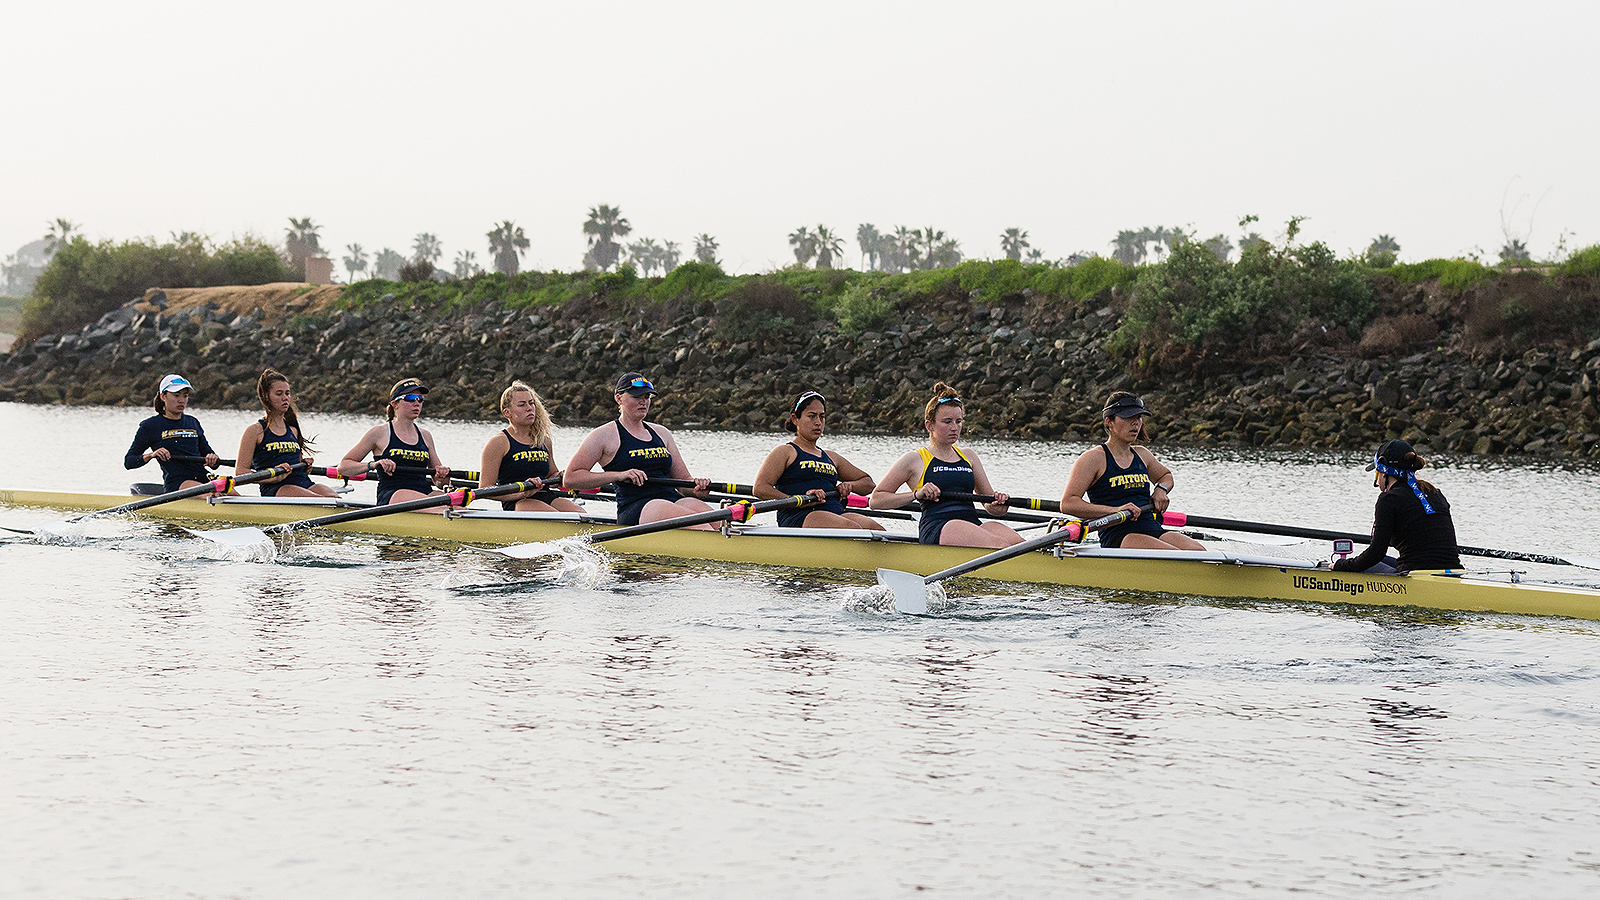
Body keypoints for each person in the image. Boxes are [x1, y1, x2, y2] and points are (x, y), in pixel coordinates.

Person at [870, 383, 1022, 548]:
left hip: (972, 524)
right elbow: (876, 500)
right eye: (947, 422)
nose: (954, 428)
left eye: (958, 421)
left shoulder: (969, 456)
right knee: (1002, 545)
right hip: (940, 526)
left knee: (1023, 547)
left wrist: (1000, 504)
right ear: (930, 425)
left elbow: (990, 506)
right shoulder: (914, 459)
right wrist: (916, 494)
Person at [1059, 391, 1205, 551]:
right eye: (1128, 417)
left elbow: (1165, 476)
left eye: (1138, 417)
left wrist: (1161, 490)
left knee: (1200, 553)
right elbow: (1068, 503)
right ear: (1109, 421)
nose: (1135, 423)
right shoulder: (1093, 459)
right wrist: (1115, 511)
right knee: (1175, 556)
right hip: (1119, 534)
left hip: (1151, 527)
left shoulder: (1142, 454)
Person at [564, 372, 713, 526]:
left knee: (720, 523)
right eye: (637, 397)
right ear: (619, 399)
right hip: (637, 507)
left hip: (673, 500)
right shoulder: (603, 435)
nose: (643, 402)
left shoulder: (662, 433)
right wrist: (618, 475)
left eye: (647, 397)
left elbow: (683, 483)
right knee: (701, 525)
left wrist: (697, 486)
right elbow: (570, 478)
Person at [753, 391, 883, 530]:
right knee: (852, 528)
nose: (818, 422)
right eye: (811, 416)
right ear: (795, 419)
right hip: (800, 515)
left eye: (822, 417)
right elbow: (760, 488)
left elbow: (868, 483)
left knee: (876, 530)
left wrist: (849, 485)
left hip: (835, 513)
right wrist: (796, 500)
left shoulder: (831, 457)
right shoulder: (785, 452)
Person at [1332, 439, 1461, 574]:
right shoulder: (1435, 493)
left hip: (1416, 575)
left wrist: (1341, 565)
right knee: (1381, 560)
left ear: (1383, 473)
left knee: (1359, 564)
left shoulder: (1389, 499)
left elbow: (1375, 553)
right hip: (1454, 571)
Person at [338, 378, 451, 506]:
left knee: (451, 502)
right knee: (441, 505)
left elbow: (439, 483)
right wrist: (373, 465)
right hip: (394, 496)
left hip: (424, 494)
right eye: (410, 398)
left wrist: (442, 475)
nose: (416, 403)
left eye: (420, 399)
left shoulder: (426, 436)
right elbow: (343, 467)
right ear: (394, 404)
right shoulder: (379, 433)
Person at [478, 381, 583, 513]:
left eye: (531, 403)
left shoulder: (544, 440)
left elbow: (551, 475)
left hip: (547, 496)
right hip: (518, 501)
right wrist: (523, 492)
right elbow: (485, 488)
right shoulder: (498, 443)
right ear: (507, 413)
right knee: (558, 519)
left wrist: (561, 476)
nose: (529, 408)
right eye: (522, 405)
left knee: (582, 516)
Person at [235, 368, 337, 498]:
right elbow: (240, 472)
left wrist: (304, 465)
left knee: (335, 499)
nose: (285, 398)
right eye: (279, 394)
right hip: (277, 488)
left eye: (287, 393)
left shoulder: (293, 430)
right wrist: (273, 477)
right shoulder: (255, 431)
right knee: (320, 501)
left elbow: (295, 461)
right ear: (266, 397)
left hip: (303, 482)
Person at [124, 374, 221, 492]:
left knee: (233, 494)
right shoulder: (150, 426)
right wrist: (152, 455)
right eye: (176, 395)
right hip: (177, 483)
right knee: (214, 496)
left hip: (203, 478)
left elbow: (209, 456)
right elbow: (129, 461)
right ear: (163, 396)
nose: (181, 400)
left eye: (185, 396)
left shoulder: (193, 422)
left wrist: (213, 459)